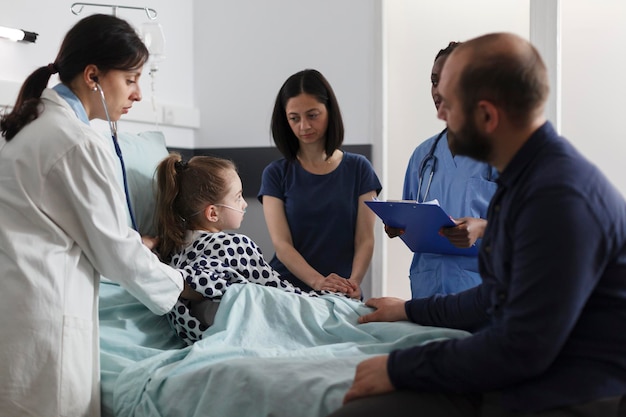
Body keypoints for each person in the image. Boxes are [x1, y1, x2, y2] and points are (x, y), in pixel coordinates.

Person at [331, 33, 626, 417]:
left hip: (569, 396)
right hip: (525, 376)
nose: (440, 114)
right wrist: (409, 310)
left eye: (449, 105)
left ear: (487, 116)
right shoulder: (523, 182)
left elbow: (521, 349)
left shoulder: (560, 198)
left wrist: (398, 368)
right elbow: (493, 296)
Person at [0, 14, 202, 417]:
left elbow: (81, 229)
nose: (138, 94)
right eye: (131, 79)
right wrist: (183, 285)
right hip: (46, 319)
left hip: (22, 310)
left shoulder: (35, 126)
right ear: (93, 76)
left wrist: (131, 244)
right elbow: (115, 250)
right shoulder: (73, 143)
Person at [155, 153, 323, 345]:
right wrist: (321, 300)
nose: (244, 204)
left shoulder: (174, 248)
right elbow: (280, 293)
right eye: (237, 197)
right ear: (212, 213)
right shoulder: (234, 246)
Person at [385, 41, 498, 298]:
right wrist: (399, 226)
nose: (438, 91)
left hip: (482, 292)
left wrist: (482, 227)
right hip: (428, 291)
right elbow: (412, 216)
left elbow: (530, 227)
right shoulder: (423, 157)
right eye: (434, 81)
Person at [258, 69, 382, 300]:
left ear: (329, 112)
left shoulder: (359, 168)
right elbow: (282, 245)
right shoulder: (275, 174)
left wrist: (353, 283)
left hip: (342, 291)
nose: (304, 126)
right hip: (286, 291)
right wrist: (318, 282)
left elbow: (365, 238)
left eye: (312, 115)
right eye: (294, 118)